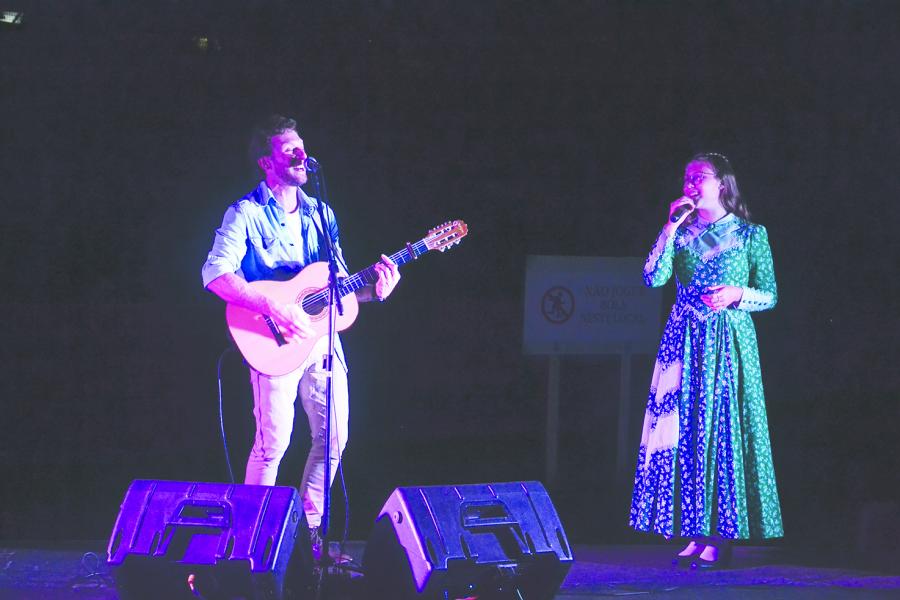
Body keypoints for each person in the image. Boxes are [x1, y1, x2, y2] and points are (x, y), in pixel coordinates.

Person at [201, 115, 400, 560]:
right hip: (273, 340)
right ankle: (253, 544)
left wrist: (376, 288)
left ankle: (309, 539)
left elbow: (340, 286)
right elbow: (215, 273)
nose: (300, 155)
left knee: (334, 438)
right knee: (274, 442)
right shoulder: (246, 213)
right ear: (266, 163)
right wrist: (273, 305)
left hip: (323, 343)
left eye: (301, 146)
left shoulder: (321, 212)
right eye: (288, 149)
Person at [629, 152, 783, 567]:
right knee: (688, 431)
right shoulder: (681, 234)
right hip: (684, 339)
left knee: (722, 429)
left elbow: (769, 295)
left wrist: (738, 295)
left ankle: (721, 533)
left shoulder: (751, 235)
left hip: (728, 342)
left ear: (723, 183)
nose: (691, 184)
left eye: (700, 177)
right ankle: (695, 529)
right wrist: (669, 228)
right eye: (687, 178)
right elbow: (651, 278)